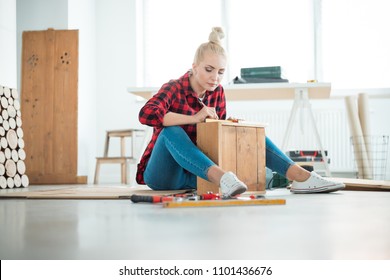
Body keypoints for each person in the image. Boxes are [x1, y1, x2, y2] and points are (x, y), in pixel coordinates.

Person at [136, 27, 345, 197]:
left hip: (195, 174)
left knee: (246, 135)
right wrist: (194, 118)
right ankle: (224, 179)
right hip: (163, 175)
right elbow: (147, 115)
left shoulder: (217, 93)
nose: (215, 77)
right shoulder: (174, 87)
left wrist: (230, 128)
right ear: (194, 67)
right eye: (209, 70)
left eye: (220, 72)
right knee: (170, 132)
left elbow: (216, 140)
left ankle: (300, 177)